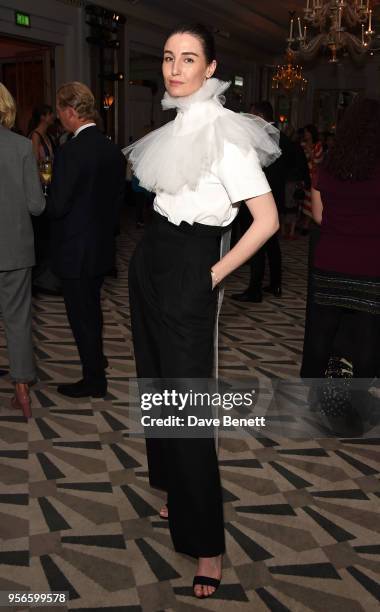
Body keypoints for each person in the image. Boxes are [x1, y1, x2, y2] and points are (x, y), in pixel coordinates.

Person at [125, 23, 280, 598]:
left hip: (192, 265)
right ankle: (173, 494)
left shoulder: (226, 134)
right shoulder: (176, 124)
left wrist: (212, 276)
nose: (175, 67)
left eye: (188, 58)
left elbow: (266, 221)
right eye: (168, 57)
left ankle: (208, 546)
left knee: (189, 409)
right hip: (152, 258)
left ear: (211, 68)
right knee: (157, 386)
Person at [301, 98, 380, 426]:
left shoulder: (330, 167)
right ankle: (359, 400)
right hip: (370, 264)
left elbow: (319, 216)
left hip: (329, 260)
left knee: (322, 332)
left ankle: (315, 394)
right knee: (367, 337)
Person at [47, 82, 126, 398]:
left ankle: (94, 379)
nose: (59, 119)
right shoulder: (112, 150)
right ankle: (97, 361)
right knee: (92, 310)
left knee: (81, 316)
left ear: (69, 112)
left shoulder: (71, 152)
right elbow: (117, 202)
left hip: (75, 250)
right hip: (101, 246)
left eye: (59, 113)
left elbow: (57, 206)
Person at [0, 82, 45, 418]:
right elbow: (35, 206)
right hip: (15, 249)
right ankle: (22, 390)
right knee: (17, 320)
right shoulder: (21, 147)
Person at [231, 101, 294, 302]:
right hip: (276, 196)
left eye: (251, 116)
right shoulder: (283, 137)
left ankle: (254, 290)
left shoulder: (261, 137)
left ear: (258, 115)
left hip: (259, 197)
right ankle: (275, 284)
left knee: (256, 243)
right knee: (272, 244)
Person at [301, 123, 323, 234]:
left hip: (314, 175)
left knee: (310, 200)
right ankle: (304, 224)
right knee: (303, 200)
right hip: (304, 174)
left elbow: (317, 160)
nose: (305, 134)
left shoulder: (318, 145)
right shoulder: (302, 144)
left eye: (306, 132)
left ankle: (306, 225)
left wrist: (309, 149)